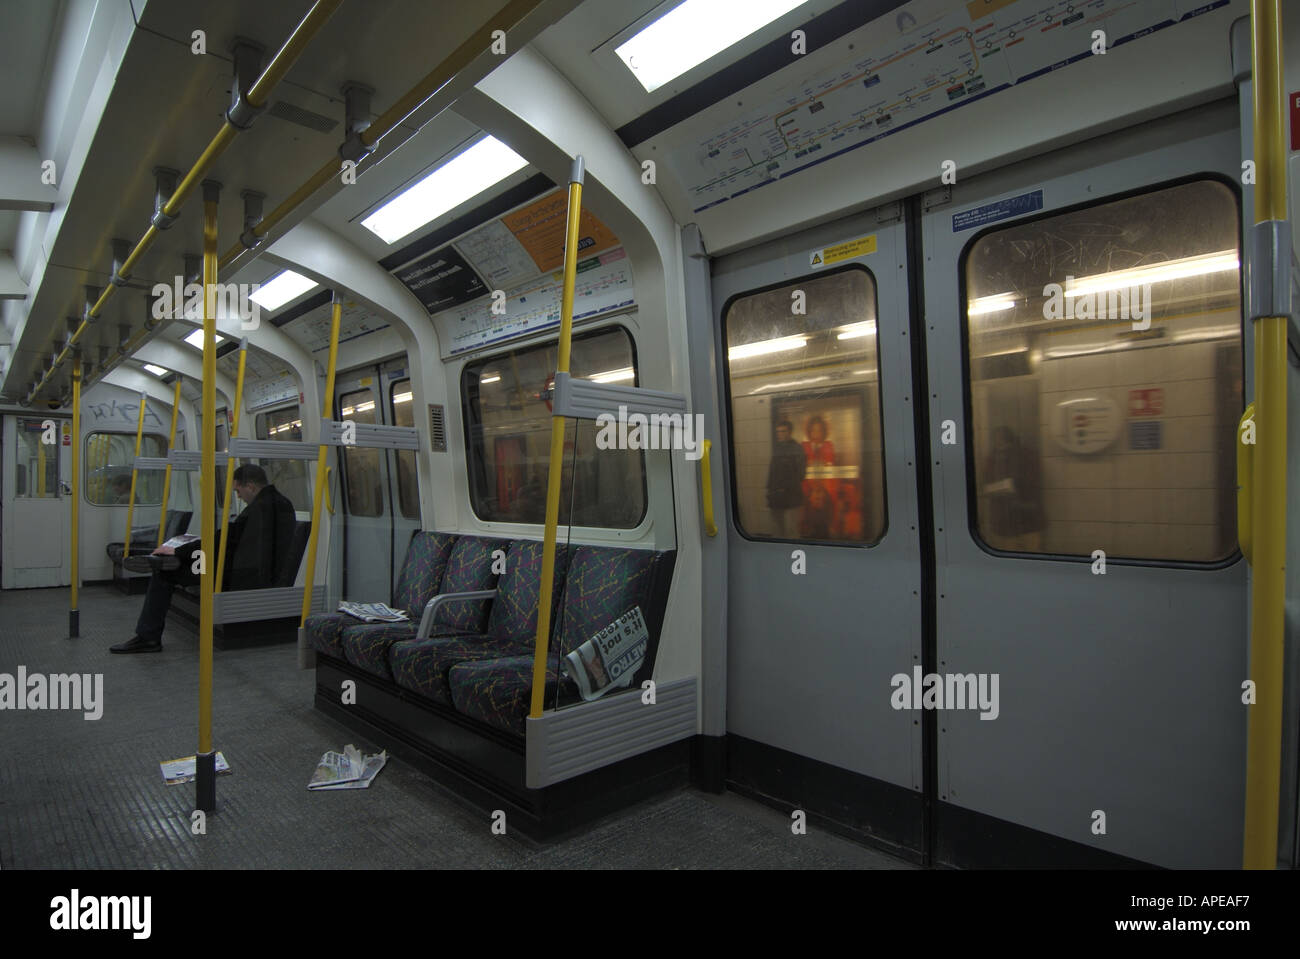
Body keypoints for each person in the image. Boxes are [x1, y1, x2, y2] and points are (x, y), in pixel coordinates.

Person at [110, 464, 297, 653]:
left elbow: (225, 539)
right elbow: (232, 540)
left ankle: (148, 636)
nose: (238, 496)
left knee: (165, 574)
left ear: (250, 486)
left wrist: (180, 551)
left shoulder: (259, 508)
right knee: (186, 560)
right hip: (254, 567)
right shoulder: (282, 503)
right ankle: (166, 559)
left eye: (238, 491)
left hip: (241, 574)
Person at [766, 419, 806, 538]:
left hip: (791, 497)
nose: (780, 434)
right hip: (776, 497)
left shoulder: (797, 449)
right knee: (777, 530)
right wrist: (770, 490)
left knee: (791, 530)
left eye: (783, 431)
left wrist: (784, 488)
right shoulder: (777, 448)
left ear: (790, 432)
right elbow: (772, 472)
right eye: (778, 432)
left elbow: (800, 474)